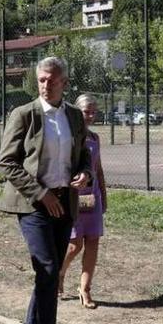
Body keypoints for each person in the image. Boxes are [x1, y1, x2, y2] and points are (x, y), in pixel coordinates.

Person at [0, 57, 92, 324]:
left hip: (65, 202)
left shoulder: (75, 116)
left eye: (51, 79)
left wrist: (85, 174)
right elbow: (7, 162)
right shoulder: (24, 115)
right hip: (33, 204)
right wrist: (41, 193)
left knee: (47, 273)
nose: (45, 84)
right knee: (50, 268)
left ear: (64, 82)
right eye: (40, 79)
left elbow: (85, 154)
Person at [57, 94, 107, 309]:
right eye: (87, 111)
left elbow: (98, 168)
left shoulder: (95, 138)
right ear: (77, 112)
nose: (91, 115)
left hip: (92, 198)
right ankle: (59, 273)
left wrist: (103, 194)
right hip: (73, 197)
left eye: (94, 111)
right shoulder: (68, 137)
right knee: (75, 245)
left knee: (93, 242)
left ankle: (85, 289)